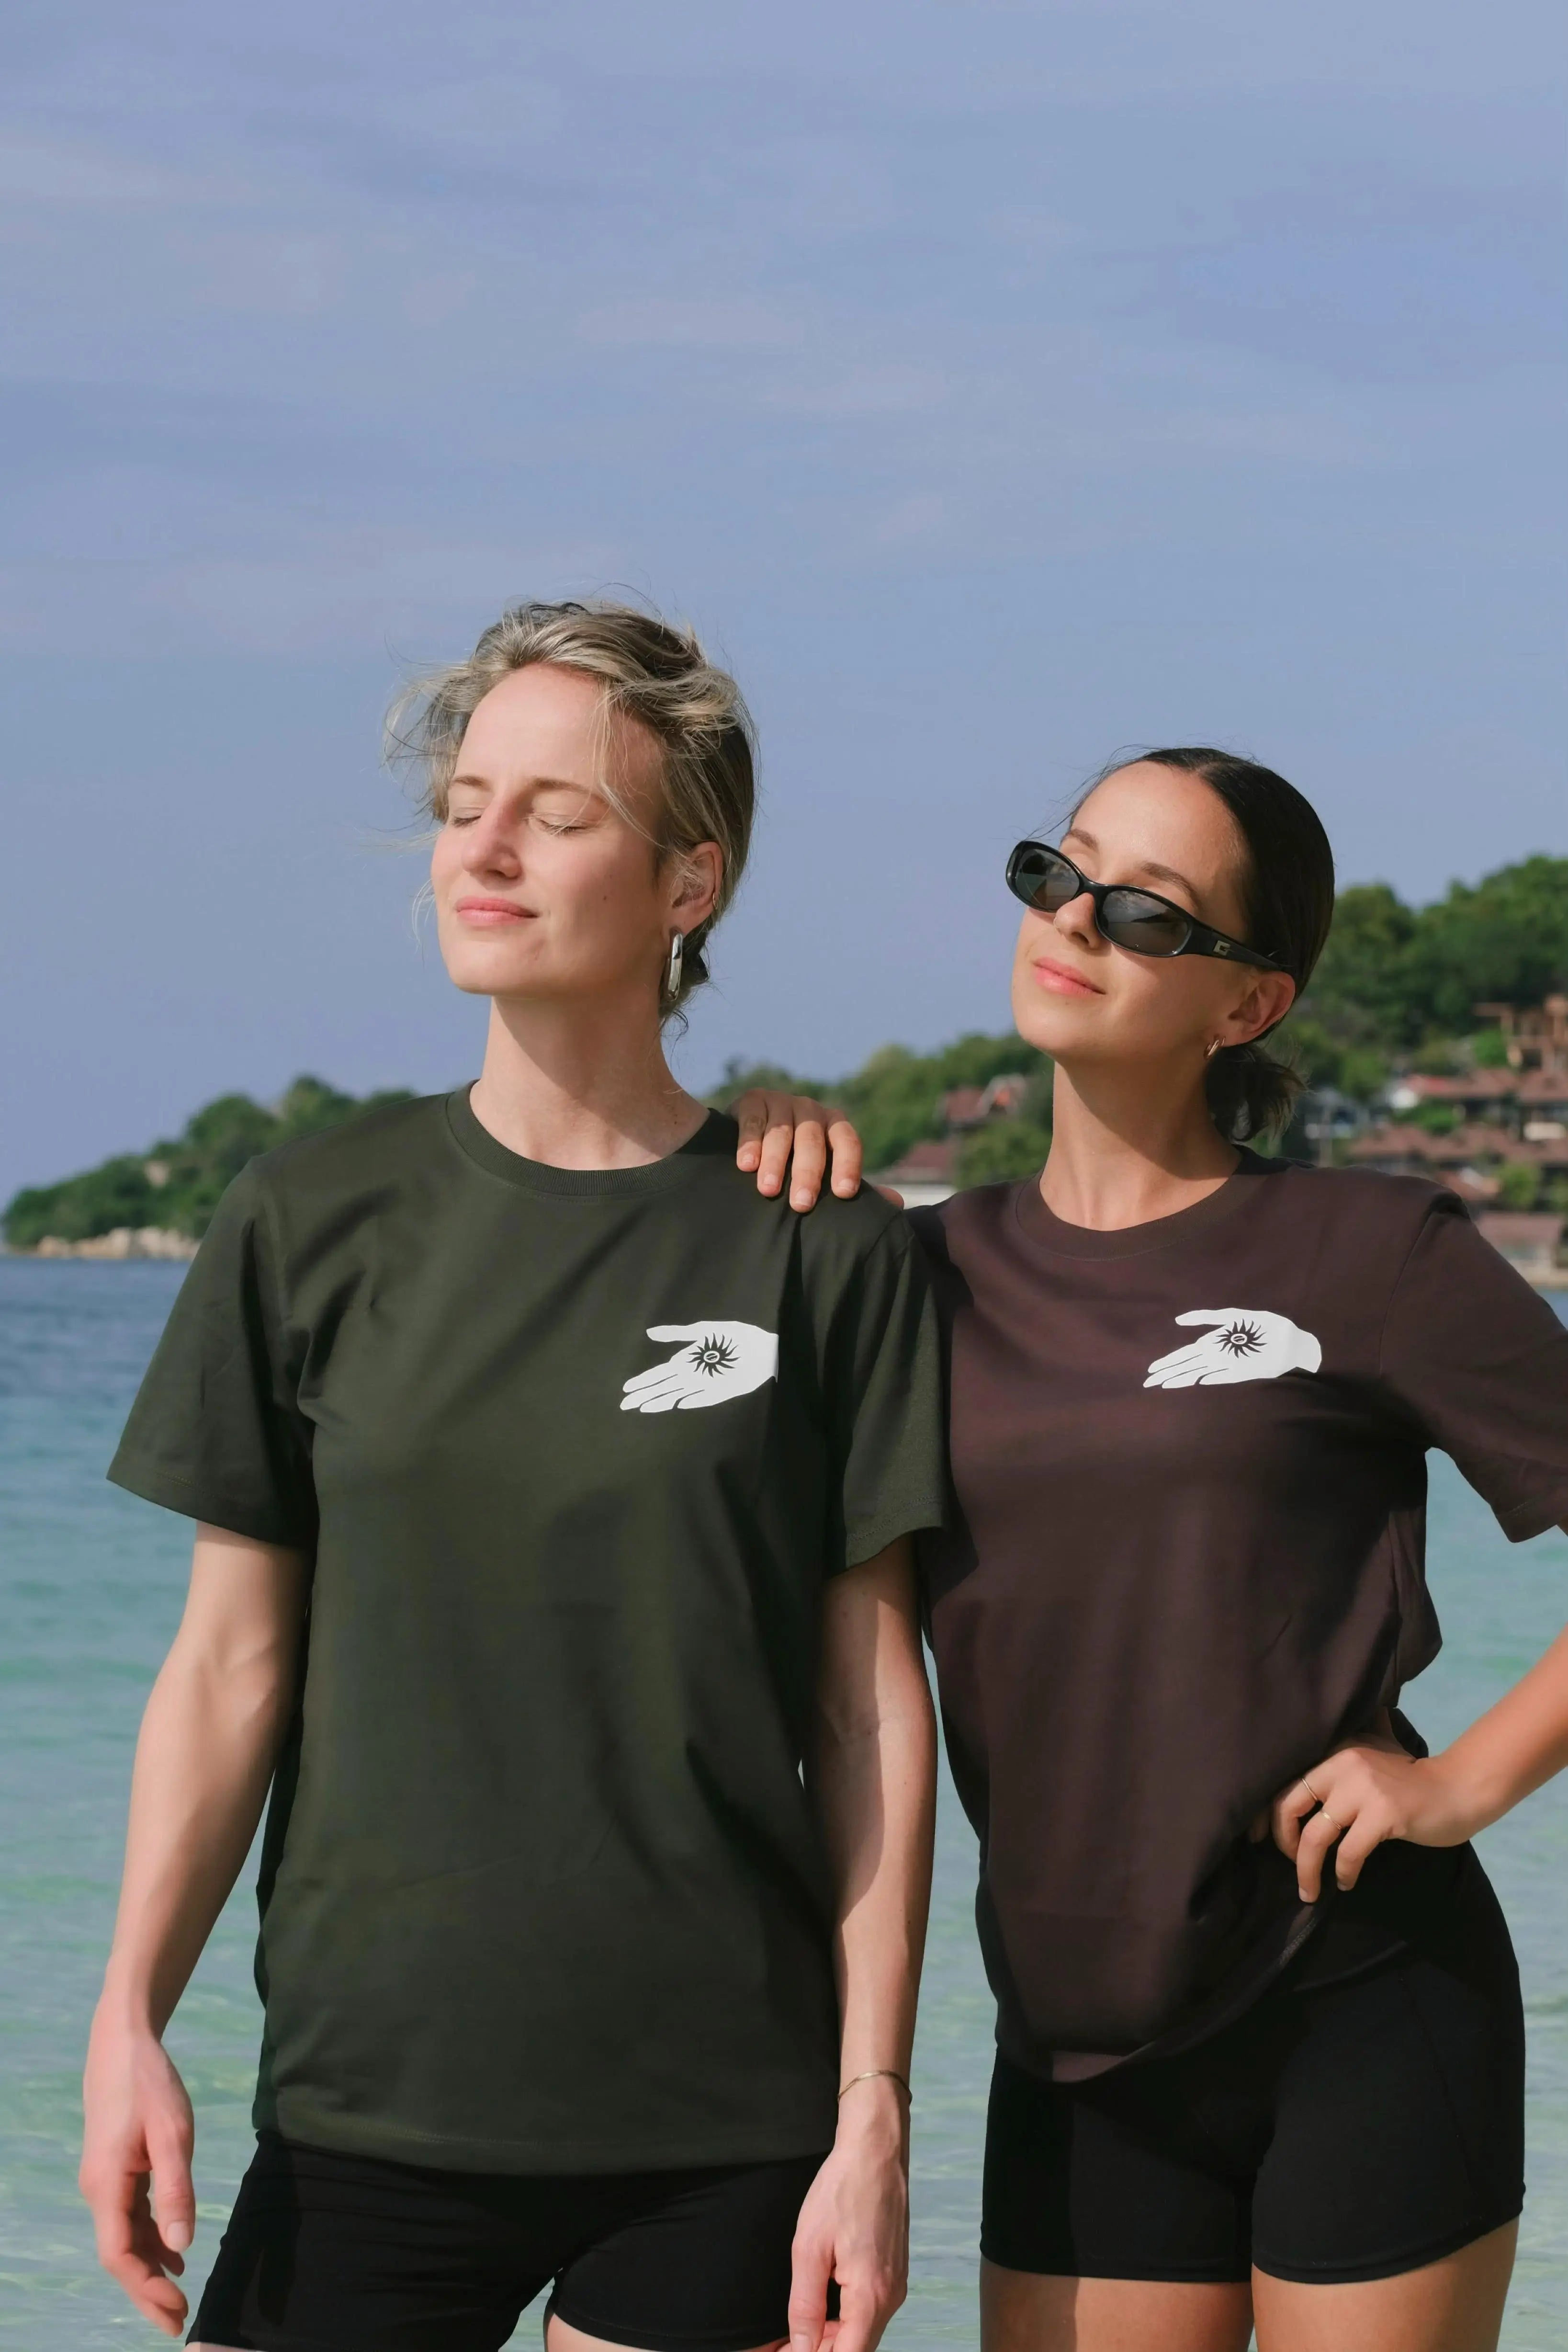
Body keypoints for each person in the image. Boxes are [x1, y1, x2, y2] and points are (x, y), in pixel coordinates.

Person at [79, 600, 948, 2352]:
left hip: (723, 2124)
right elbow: (231, 1667)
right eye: (467, 800)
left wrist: (875, 2111)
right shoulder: (308, 1220)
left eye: (557, 812)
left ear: (687, 886)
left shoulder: (823, 1246)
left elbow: (867, 1710)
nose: (480, 845)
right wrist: (126, 2017)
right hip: (366, 2108)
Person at [733, 747, 1568, 2352]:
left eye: (1145, 912)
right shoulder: (909, 1277)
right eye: (1060, 872)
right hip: (1070, 2035)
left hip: (1362, 1992)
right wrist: (752, 1147)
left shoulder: (1370, 1250)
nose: (1077, 922)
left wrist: (1458, 1784)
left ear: (1245, 1006)